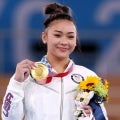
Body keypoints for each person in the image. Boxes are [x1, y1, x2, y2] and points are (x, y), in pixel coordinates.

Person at [1, 2, 108, 120]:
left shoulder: (88, 77)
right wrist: (17, 83)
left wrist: (91, 117)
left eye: (70, 36)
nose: (64, 42)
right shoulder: (26, 76)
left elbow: (102, 117)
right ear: (44, 37)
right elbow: (9, 118)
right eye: (58, 35)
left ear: (76, 40)